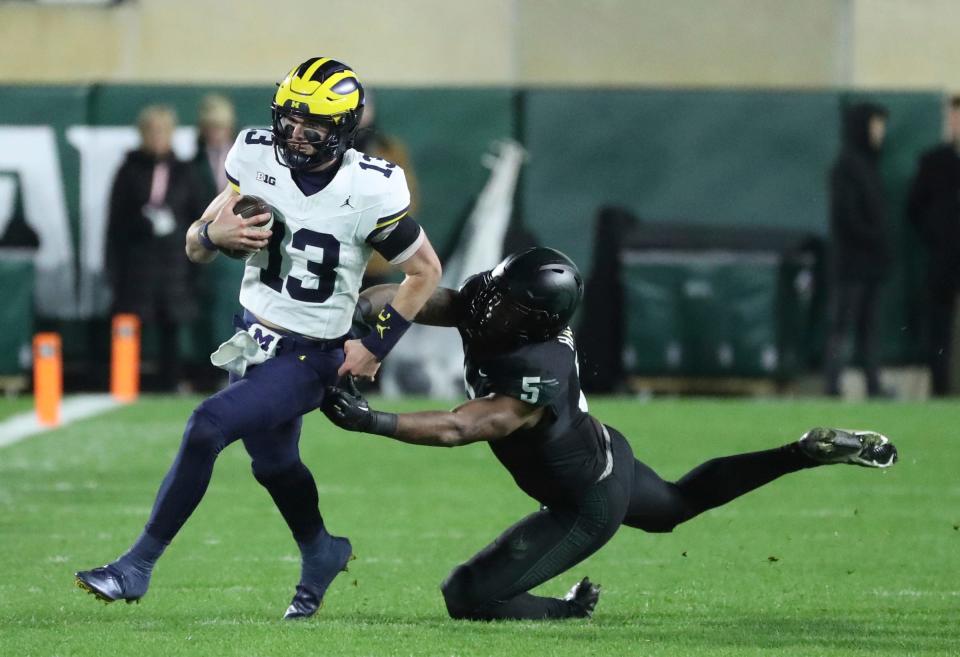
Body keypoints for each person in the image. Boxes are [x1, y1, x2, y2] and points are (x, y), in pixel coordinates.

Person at [322, 247, 898, 621]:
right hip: (602, 452)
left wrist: (373, 420)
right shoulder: (498, 301)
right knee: (677, 504)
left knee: (467, 596)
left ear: (535, 320)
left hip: (585, 500)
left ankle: (569, 613)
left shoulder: (537, 365)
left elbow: (463, 426)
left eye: (506, 302)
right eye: (495, 288)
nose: (488, 304)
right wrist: (362, 319)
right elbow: (416, 300)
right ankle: (800, 452)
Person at [76, 57, 442, 619]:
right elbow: (195, 245)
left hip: (312, 353)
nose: (295, 134)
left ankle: (136, 566)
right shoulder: (252, 156)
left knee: (207, 425)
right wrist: (209, 233)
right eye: (289, 120)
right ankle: (322, 551)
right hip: (249, 337)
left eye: (313, 125)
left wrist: (375, 346)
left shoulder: (371, 185)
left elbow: (425, 273)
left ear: (342, 129)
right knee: (273, 464)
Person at [105, 104, 206, 392]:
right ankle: (125, 382)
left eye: (162, 130)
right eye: (151, 131)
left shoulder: (185, 172)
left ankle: (170, 383)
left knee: (171, 327)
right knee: (131, 326)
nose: (157, 136)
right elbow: (115, 225)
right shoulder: (128, 171)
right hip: (137, 265)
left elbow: (200, 218)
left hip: (175, 264)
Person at [823, 102, 892, 398]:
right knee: (843, 325)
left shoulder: (870, 165)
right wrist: (877, 237)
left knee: (868, 328)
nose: (880, 132)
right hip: (851, 265)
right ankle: (833, 385)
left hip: (870, 264)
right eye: (875, 125)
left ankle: (873, 385)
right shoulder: (847, 167)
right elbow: (847, 217)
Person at [907, 96, 960, 397]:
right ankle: (940, 390)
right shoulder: (934, 161)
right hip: (942, 260)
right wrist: (938, 234)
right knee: (938, 328)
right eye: (954, 117)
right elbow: (914, 209)